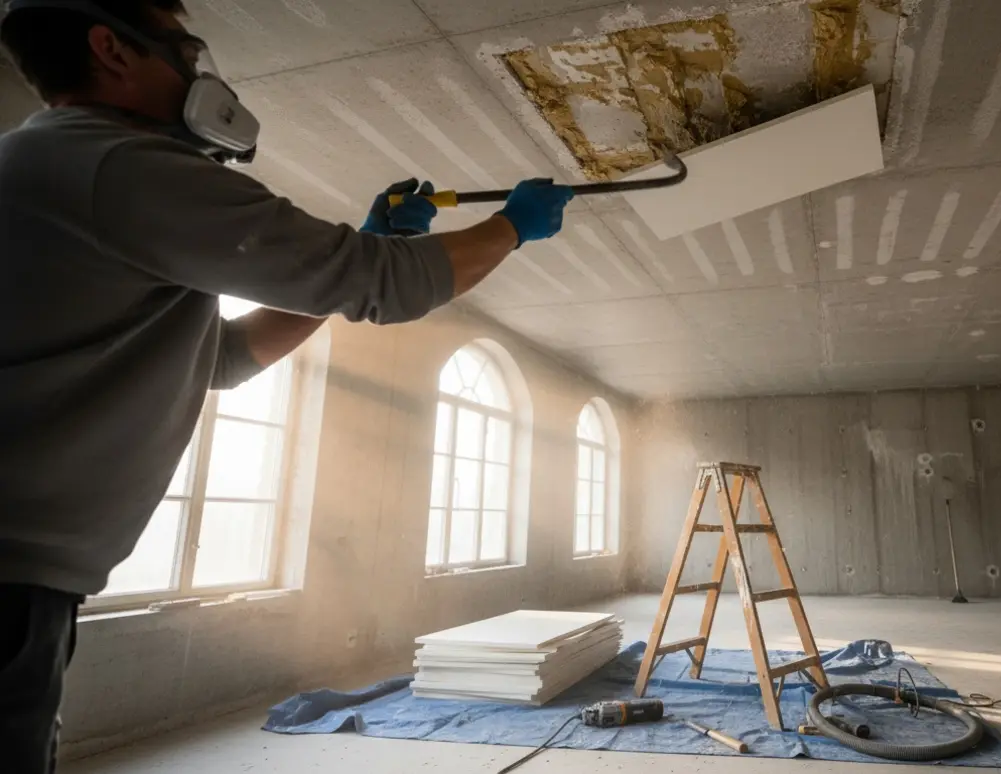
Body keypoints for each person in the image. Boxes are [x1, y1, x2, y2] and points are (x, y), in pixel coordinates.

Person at [0, 0, 574, 770]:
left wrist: (369, 251)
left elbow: (226, 358)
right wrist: (513, 225)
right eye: (185, 48)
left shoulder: (56, 168)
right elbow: (389, 288)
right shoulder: (117, 163)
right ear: (111, 48)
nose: (197, 71)